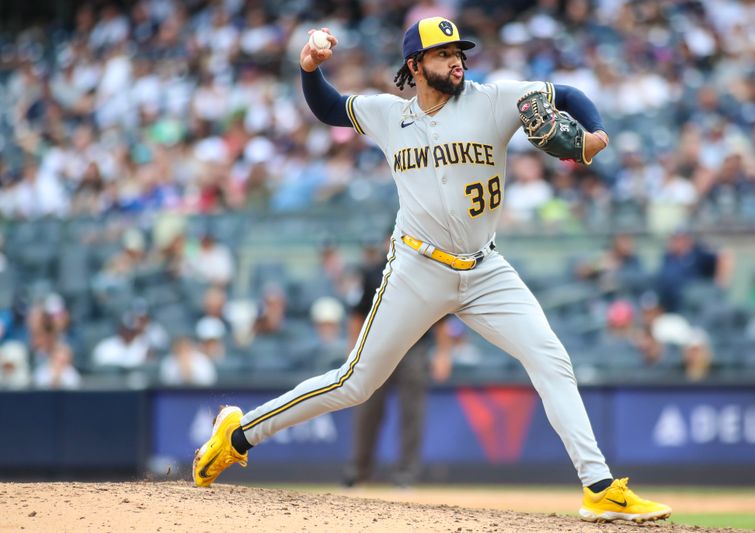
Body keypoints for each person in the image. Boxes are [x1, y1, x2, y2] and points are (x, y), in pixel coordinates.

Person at [192, 17, 670, 523]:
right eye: (443, 54)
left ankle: (599, 488)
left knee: (550, 358)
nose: (456, 60)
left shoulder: (494, 99)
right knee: (354, 383)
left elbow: (568, 93)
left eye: (459, 51)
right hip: (417, 267)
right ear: (415, 66)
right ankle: (238, 433)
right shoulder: (388, 114)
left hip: (486, 270)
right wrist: (309, 68)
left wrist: (595, 133)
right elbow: (329, 107)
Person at [342, 239, 439, 488]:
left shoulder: (426, 272)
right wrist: (353, 350)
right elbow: (357, 314)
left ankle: (406, 475)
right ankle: (359, 472)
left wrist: (444, 354)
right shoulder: (374, 272)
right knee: (367, 408)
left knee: (412, 413)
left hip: (414, 348)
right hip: (377, 347)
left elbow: (442, 318)